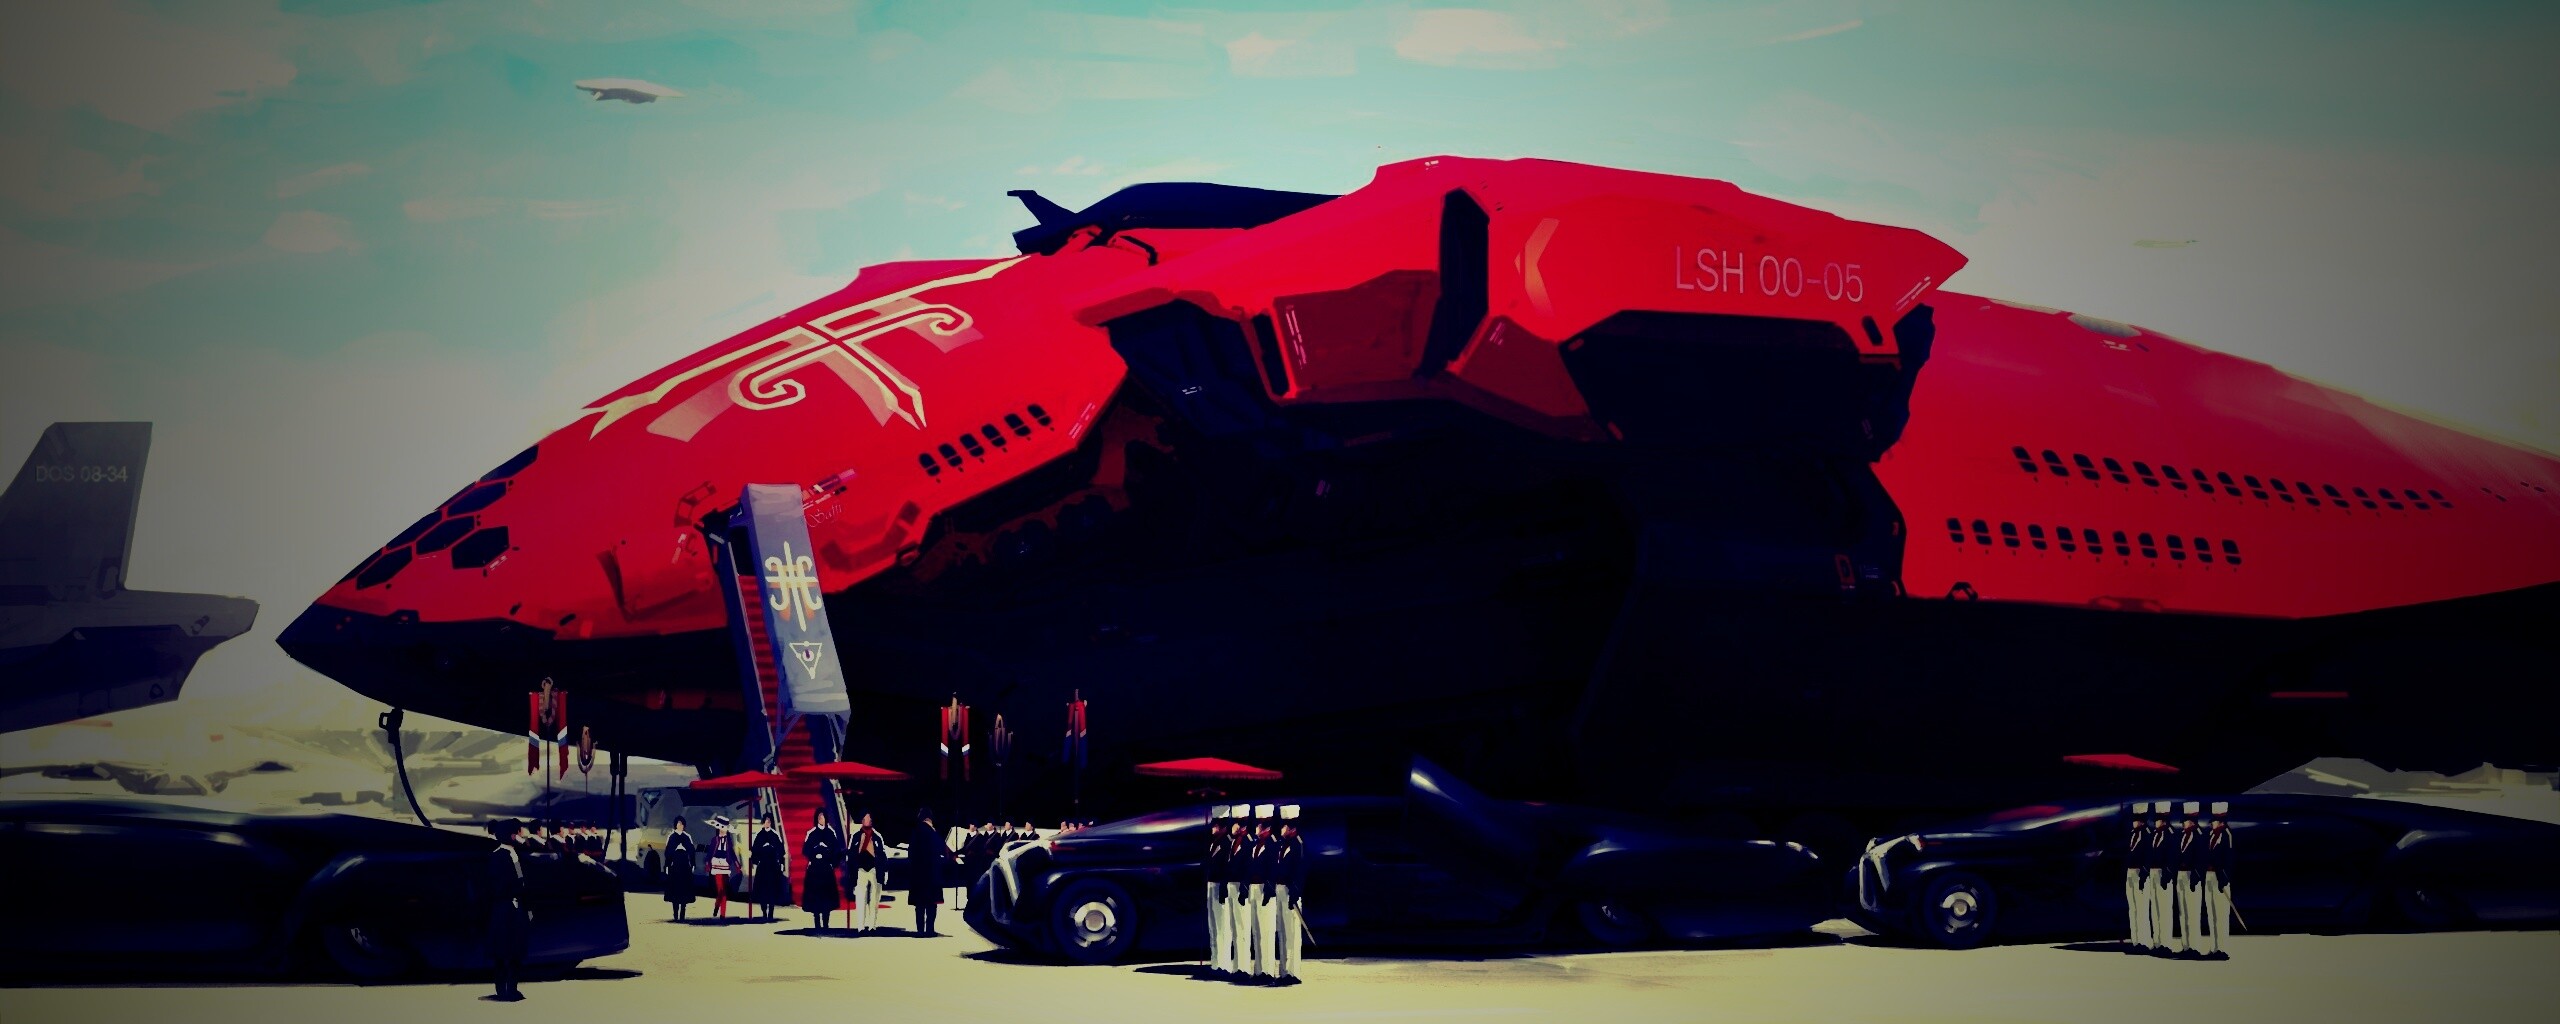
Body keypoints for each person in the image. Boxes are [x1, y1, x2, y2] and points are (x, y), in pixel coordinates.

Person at [484, 822, 530, 1001]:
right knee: (503, 951)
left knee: (516, 950)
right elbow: (497, 886)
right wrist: (516, 890)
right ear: (511, 834)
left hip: (517, 908)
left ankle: (512, 987)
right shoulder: (497, 857)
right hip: (504, 909)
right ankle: (502, 989)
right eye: (518, 832)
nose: (521, 836)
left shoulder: (516, 854)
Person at [1242, 804, 1277, 983]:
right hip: (1254, 889)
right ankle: (1258, 970)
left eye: (1259, 824)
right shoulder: (1255, 844)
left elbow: (1274, 869)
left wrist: (1270, 889)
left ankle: (1268, 971)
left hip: (1265, 889)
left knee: (1266, 931)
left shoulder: (1272, 845)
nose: (1256, 827)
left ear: (1266, 827)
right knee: (1256, 931)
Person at [911, 808, 954, 936]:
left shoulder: (916, 831)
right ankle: (929, 929)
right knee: (931, 903)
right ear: (929, 818)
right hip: (932, 874)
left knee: (919, 904)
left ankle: (920, 930)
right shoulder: (932, 832)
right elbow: (942, 848)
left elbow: (911, 852)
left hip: (918, 874)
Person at [1276, 804, 1306, 985]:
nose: (1282, 828)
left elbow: (1300, 871)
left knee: (1292, 934)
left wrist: (1295, 891)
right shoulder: (1282, 844)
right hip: (1280, 890)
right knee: (1282, 932)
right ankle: (1283, 972)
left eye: (1284, 825)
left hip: (1290, 892)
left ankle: (1293, 973)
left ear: (1292, 826)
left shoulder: (1297, 844)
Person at [2203, 801, 2234, 960]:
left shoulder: (2226, 835)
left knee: (2221, 914)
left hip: (2220, 877)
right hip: (2209, 876)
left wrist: (2224, 878)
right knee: (2212, 913)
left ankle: (2222, 949)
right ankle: (2214, 948)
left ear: (2221, 822)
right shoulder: (2211, 835)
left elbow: (2228, 859)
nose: (2212, 824)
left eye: (2214, 821)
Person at [2175, 801, 2205, 958]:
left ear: (2192, 821)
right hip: (2181, 875)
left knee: (2192, 912)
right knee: (2183, 912)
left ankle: (2194, 947)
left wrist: (2196, 876)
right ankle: (2186, 946)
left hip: (2191, 876)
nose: (2183, 824)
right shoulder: (2182, 835)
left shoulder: (2199, 835)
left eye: (2185, 821)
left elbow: (2201, 858)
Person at [803, 814, 845, 930]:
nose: (822, 820)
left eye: (824, 818)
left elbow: (837, 851)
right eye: (820, 818)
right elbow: (805, 850)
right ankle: (817, 922)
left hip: (826, 869)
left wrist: (830, 860)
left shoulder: (831, 833)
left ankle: (826, 923)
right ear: (816, 819)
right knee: (815, 897)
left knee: (827, 897)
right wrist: (815, 852)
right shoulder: (811, 833)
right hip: (814, 870)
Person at [2146, 804, 2177, 957]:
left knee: (2164, 909)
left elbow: (2172, 856)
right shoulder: (2154, 834)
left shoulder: (2170, 834)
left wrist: (2167, 874)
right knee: (2155, 909)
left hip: (2163, 873)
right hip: (2153, 872)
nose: (2156, 822)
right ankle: (2157, 942)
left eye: (2158, 819)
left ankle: (2165, 943)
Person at [1206, 804, 1233, 975]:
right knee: (1213, 926)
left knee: (1223, 927)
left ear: (1223, 826)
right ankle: (1215, 963)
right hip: (1211, 885)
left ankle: (1224, 964)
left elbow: (1228, 868)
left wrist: (1224, 887)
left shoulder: (1228, 842)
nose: (1213, 827)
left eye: (1216, 824)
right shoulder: (1212, 843)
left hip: (1221, 886)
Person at [848, 811, 885, 933]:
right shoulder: (856, 836)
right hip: (860, 869)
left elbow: (882, 855)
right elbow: (851, 854)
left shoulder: (877, 837)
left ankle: (872, 925)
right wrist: (860, 847)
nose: (867, 820)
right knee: (860, 898)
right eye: (865, 818)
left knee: (874, 898)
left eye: (869, 818)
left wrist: (873, 852)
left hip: (874, 869)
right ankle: (861, 926)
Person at [751, 815, 791, 921]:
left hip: (773, 866)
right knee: (762, 891)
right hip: (763, 866)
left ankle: (771, 913)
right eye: (766, 821)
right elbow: (754, 850)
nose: (767, 823)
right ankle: (764, 912)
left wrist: (780, 862)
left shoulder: (775, 835)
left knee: (772, 890)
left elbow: (781, 851)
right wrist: (757, 859)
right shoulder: (759, 835)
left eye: (769, 821)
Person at [2124, 802, 2152, 953]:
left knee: (2142, 909)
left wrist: (2144, 874)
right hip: (2130, 872)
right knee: (2133, 908)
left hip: (2141, 873)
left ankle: (2144, 941)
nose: (2134, 822)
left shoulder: (2147, 834)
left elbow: (2148, 856)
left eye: (2137, 819)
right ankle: (2136, 941)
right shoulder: (2132, 834)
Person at [665, 816, 699, 921]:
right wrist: (667, 865)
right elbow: (667, 852)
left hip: (685, 866)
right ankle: (675, 913)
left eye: (682, 824)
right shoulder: (671, 837)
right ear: (675, 824)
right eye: (678, 823)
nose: (680, 825)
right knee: (675, 890)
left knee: (684, 890)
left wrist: (693, 864)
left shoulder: (687, 836)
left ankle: (682, 913)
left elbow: (692, 852)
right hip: (675, 866)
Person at [707, 815, 737, 918]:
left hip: (725, 865)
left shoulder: (729, 841)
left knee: (724, 891)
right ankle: (719, 910)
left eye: (724, 828)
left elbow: (732, 853)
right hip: (716, 865)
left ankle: (721, 911)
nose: (722, 830)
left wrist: (737, 864)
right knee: (721, 890)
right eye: (721, 827)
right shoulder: (714, 840)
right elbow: (710, 852)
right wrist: (708, 863)